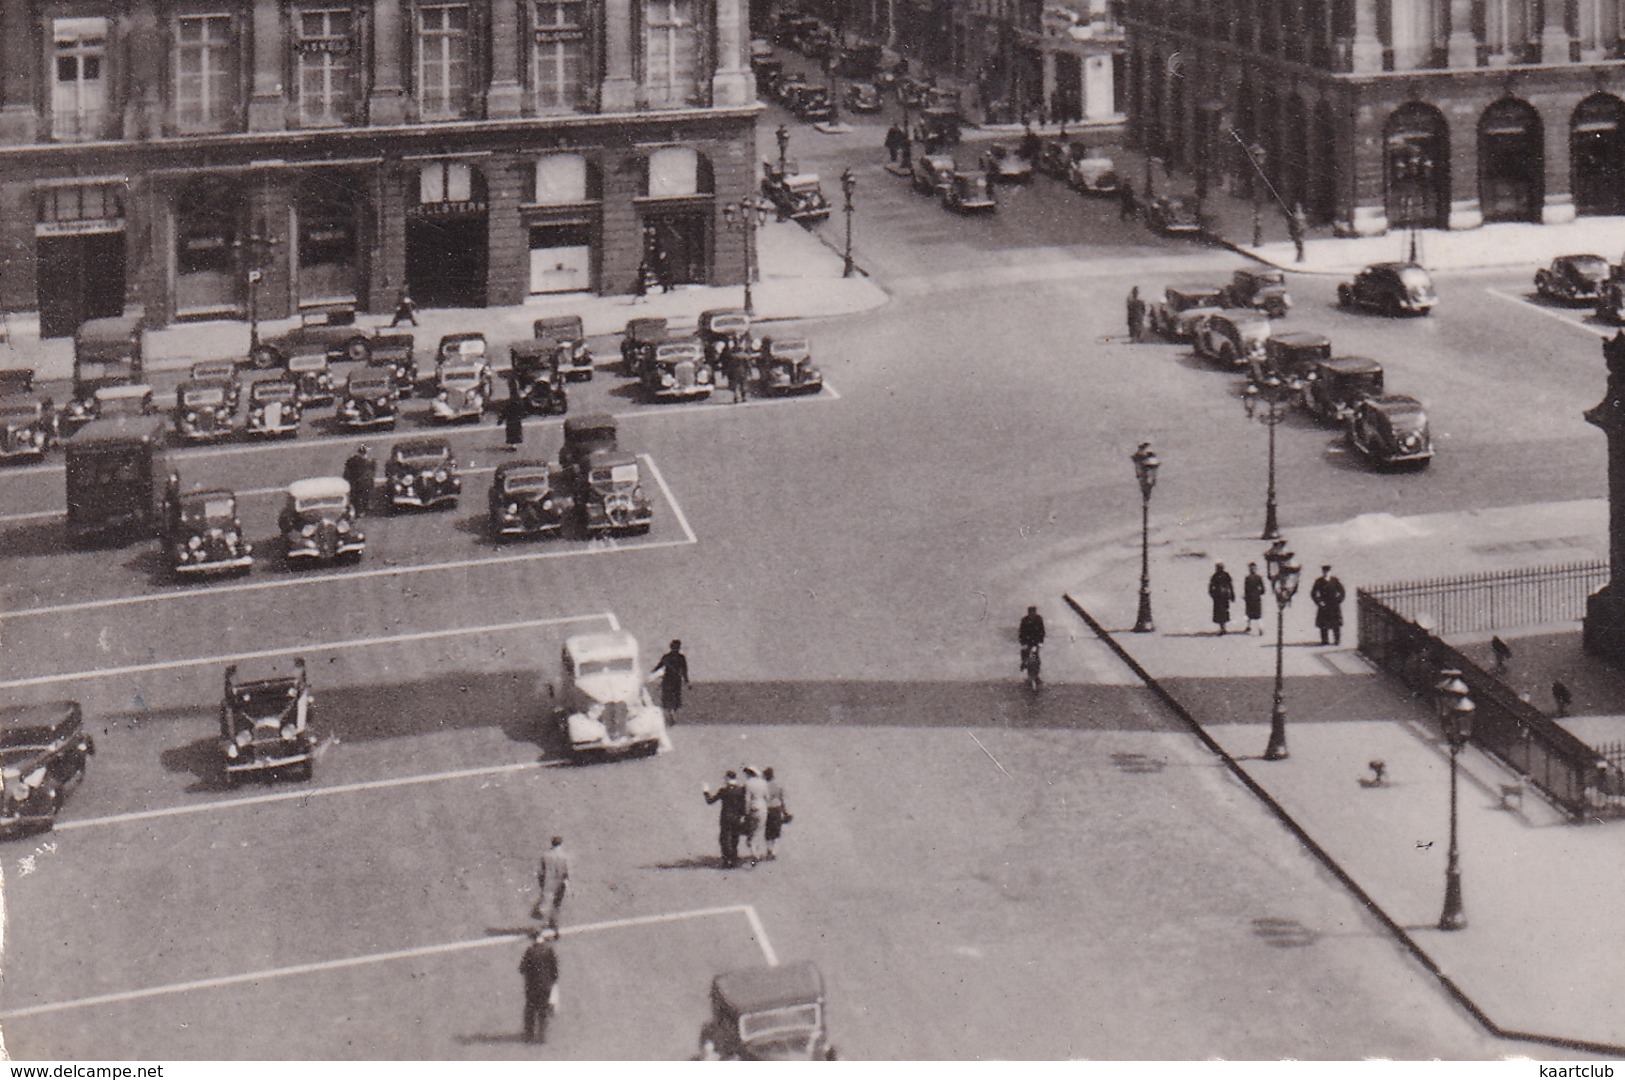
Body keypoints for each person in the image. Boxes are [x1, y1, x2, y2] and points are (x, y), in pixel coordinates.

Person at [519, 926, 560, 1044]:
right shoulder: (549, 950)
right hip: (546, 986)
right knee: (543, 1010)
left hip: (532, 987)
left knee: (530, 1010)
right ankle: (542, 1036)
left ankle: (529, 1034)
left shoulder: (530, 951)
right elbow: (555, 970)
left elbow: (522, 969)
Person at [703, 770, 747, 867]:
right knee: (735, 838)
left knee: (724, 839)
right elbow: (743, 805)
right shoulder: (741, 790)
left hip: (726, 817)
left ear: (727, 779)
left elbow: (710, 801)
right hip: (737, 817)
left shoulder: (723, 790)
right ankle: (734, 859)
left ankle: (727, 860)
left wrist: (706, 791)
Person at [532, 835, 570, 928]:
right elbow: (566, 872)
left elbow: (540, 872)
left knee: (545, 906)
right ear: (561, 844)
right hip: (560, 884)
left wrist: (541, 884)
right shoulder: (564, 856)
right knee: (556, 905)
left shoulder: (545, 855)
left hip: (548, 884)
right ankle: (554, 926)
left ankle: (541, 930)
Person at [652, 639, 690, 722]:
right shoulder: (681, 658)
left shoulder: (666, 657)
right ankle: (673, 713)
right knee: (676, 697)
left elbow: (659, 666)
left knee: (667, 697)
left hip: (667, 680)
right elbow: (684, 670)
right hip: (676, 680)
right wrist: (687, 682)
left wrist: (651, 672)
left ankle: (669, 712)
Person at [740, 765, 770, 865]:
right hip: (763, 808)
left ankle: (754, 854)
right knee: (759, 831)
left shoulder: (748, 784)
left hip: (753, 808)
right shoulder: (763, 783)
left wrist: (746, 812)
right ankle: (755, 852)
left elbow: (747, 799)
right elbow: (767, 797)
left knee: (751, 832)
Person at [1310, 565, 1346, 645]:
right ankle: (1324, 640)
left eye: (1327, 571)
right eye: (1324, 571)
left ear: (1330, 572)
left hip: (1334, 605)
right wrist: (1319, 602)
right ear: (1322, 572)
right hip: (1324, 605)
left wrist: (1338, 600)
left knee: (1336, 624)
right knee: (1323, 624)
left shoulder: (1335, 580)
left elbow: (1342, 592)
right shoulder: (1318, 581)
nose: (1326, 573)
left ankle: (1337, 640)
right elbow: (1313, 593)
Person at [763, 766, 790, 860]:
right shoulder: (778, 786)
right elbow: (782, 800)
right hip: (776, 809)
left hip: (766, 810)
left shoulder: (764, 786)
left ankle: (769, 849)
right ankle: (774, 851)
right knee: (776, 831)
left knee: (768, 831)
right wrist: (785, 812)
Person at [343, 445, 376, 516]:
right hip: (363, 483)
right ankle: (362, 510)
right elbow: (372, 472)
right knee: (362, 497)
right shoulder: (368, 462)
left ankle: (360, 510)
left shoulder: (352, 460)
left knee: (357, 497)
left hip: (356, 483)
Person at [1018, 605, 1046, 681]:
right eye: (1031, 612)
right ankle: (1027, 670)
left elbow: (1042, 631)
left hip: (1036, 641)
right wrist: (1023, 642)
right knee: (1025, 655)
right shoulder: (1025, 620)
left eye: (1033, 612)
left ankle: (1036, 675)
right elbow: (1021, 632)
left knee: (1036, 657)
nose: (1032, 614)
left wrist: (1040, 641)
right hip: (1027, 641)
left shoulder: (1038, 619)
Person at [1208, 562, 1236, 635]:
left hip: (1222, 596)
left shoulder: (1220, 575)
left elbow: (1230, 585)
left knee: (1222, 611)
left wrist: (1232, 594)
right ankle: (1223, 628)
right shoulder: (1217, 576)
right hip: (1221, 596)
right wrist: (1232, 594)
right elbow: (1211, 586)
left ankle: (1223, 628)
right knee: (1221, 611)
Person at [502, 374, 525, 450]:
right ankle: (514, 443)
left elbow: (506, 408)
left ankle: (512, 443)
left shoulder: (512, 398)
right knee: (515, 428)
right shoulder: (517, 398)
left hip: (512, 416)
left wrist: (501, 418)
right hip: (516, 416)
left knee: (512, 429)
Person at [1243, 562, 1266, 635]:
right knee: (1258, 614)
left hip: (1249, 598)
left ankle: (1248, 626)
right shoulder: (1259, 577)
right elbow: (1263, 590)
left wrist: (1245, 596)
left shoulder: (1247, 578)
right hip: (1256, 598)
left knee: (1249, 613)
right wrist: (1259, 593)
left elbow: (1246, 589)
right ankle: (1260, 628)